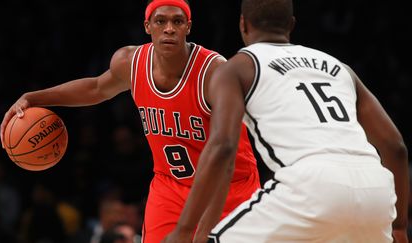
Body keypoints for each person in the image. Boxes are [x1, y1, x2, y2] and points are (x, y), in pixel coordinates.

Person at [0, 0, 261, 242]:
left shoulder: (214, 71)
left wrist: (202, 232)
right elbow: (96, 88)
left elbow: (225, 157)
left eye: (177, 22)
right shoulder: (131, 63)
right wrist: (34, 98)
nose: (169, 29)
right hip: (170, 186)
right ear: (147, 26)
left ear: (188, 27)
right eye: (160, 21)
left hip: (229, 187)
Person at [162, 0, 409, 242]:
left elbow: (224, 148)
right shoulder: (339, 67)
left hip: (311, 185)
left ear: (243, 24)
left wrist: (184, 230)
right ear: (291, 25)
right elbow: (395, 147)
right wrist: (398, 227)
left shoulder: (238, 67)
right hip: (376, 191)